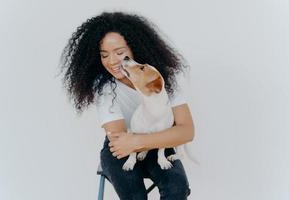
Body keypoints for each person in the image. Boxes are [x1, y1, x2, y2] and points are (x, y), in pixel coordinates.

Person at [60, 11, 195, 200]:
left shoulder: (161, 79)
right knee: (134, 196)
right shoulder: (104, 87)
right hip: (121, 148)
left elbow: (187, 131)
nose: (112, 61)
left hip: (157, 145)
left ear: (136, 49)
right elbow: (120, 140)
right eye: (104, 55)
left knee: (176, 188)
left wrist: (139, 142)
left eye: (120, 53)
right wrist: (143, 140)